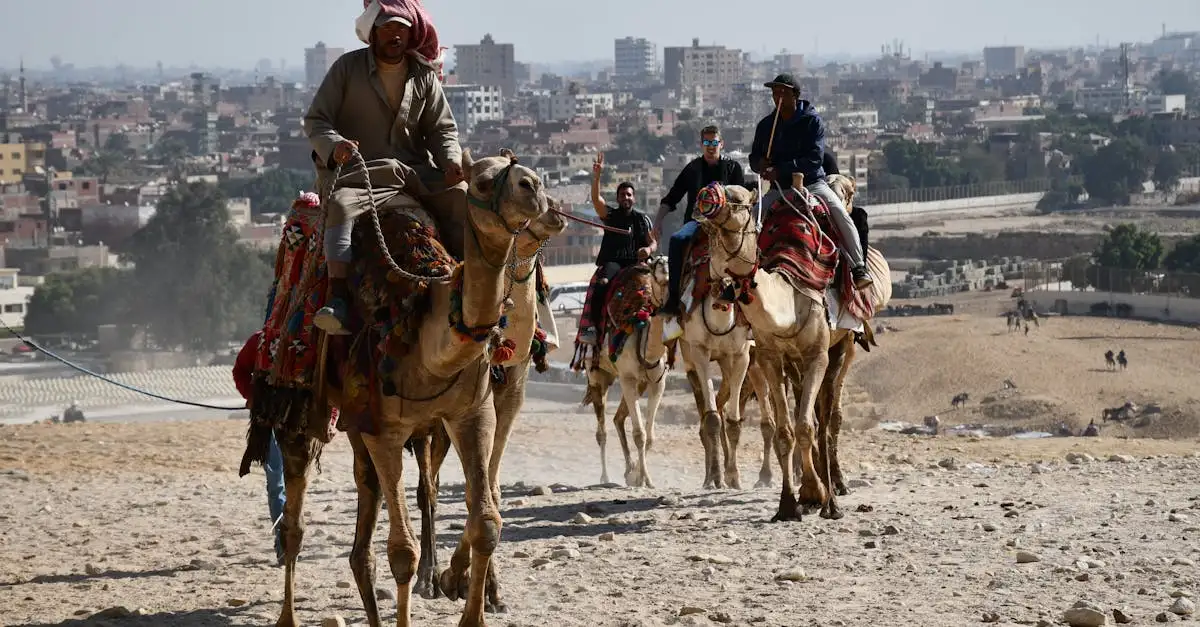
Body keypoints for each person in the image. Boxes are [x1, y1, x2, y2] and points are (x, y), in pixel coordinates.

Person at [304, 0, 464, 336]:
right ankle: (338, 298)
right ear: (373, 32)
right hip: (360, 175)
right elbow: (317, 120)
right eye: (388, 27)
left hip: (413, 174)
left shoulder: (422, 76)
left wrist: (450, 159)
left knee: (465, 199)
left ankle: (472, 285)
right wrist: (336, 147)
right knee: (340, 206)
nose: (395, 35)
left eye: (401, 29)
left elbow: (442, 130)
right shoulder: (348, 69)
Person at [750, 73, 872, 290]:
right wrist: (760, 164)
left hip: (813, 185)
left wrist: (780, 169)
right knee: (751, 220)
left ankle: (858, 266)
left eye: (782, 92)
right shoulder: (766, 126)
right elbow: (753, 159)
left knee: (839, 214)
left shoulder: (811, 121)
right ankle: (743, 273)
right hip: (780, 188)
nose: (777, 97)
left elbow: (814, 160)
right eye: (774, 92)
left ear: (795, 95)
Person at [654, 125, 746, 316]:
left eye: (714, 143)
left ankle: (747, 293)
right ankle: (673, 297)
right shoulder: (692, 169)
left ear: (721, 144)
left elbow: (741, 198)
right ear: (701, 145)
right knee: (677, 240)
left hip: (726, 224)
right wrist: (658, 222)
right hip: (697, 222)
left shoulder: (733, 168)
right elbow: (672, 198)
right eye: (707, 143)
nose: (710, 147)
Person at [577, 153, 655, 346]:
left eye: (629, 195)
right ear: (618, 198)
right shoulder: (610, 215)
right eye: (622, 195)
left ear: (634, 198)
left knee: (659, 285)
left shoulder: (643, 219)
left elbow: (653, 243)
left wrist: (648, 250)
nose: (626, 198)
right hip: (614, 262)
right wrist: (596, 177)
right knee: (602, 284)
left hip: (637, 264)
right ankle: (593, 328)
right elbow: (596, 200)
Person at [232, 330, 286, 566]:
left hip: (302, 424)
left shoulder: (310, 337)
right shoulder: (259, 340)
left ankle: (290, 538)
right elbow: (240, 371)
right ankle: (283, 543)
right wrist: (252, 396)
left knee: (294, 484)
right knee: (277, 484)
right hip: (268, 422)